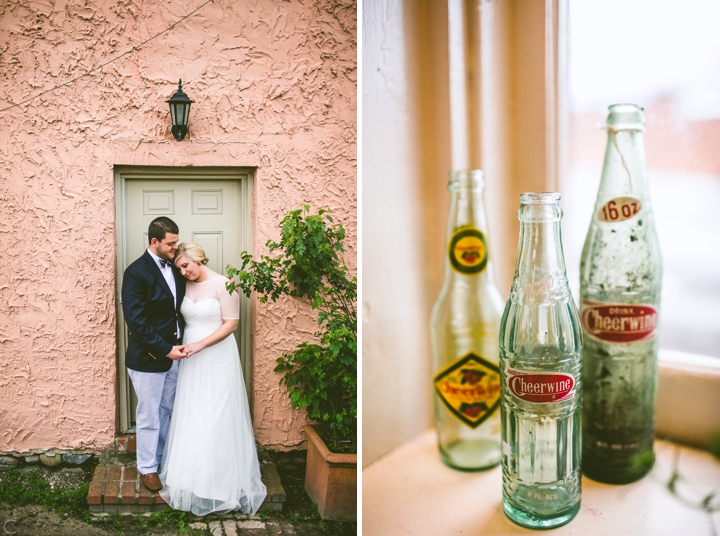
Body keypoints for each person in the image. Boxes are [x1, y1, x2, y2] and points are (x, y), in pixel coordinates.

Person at [158, 241, 267, 515]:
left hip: (216, 355)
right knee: (193, 411)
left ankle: (220, 481)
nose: (183, 272)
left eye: (185, 265)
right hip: (190, 358)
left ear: (198, 259)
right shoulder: (184, 285)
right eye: (179, 268)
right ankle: (191, 476)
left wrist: (201, 345)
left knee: (218, 412)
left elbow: (231, 324)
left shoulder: (224, 284)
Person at [121, 217, 187, 493]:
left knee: (168, 410)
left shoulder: (175, 267)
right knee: (149, 415)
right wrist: (165, 349)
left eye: (176, 242)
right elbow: (136, 321)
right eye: (171, 244)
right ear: (154, 242)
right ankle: (147, 468)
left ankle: (161, 459)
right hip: (149, 357)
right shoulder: (135, 272)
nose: (175, 248)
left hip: (176, 354)